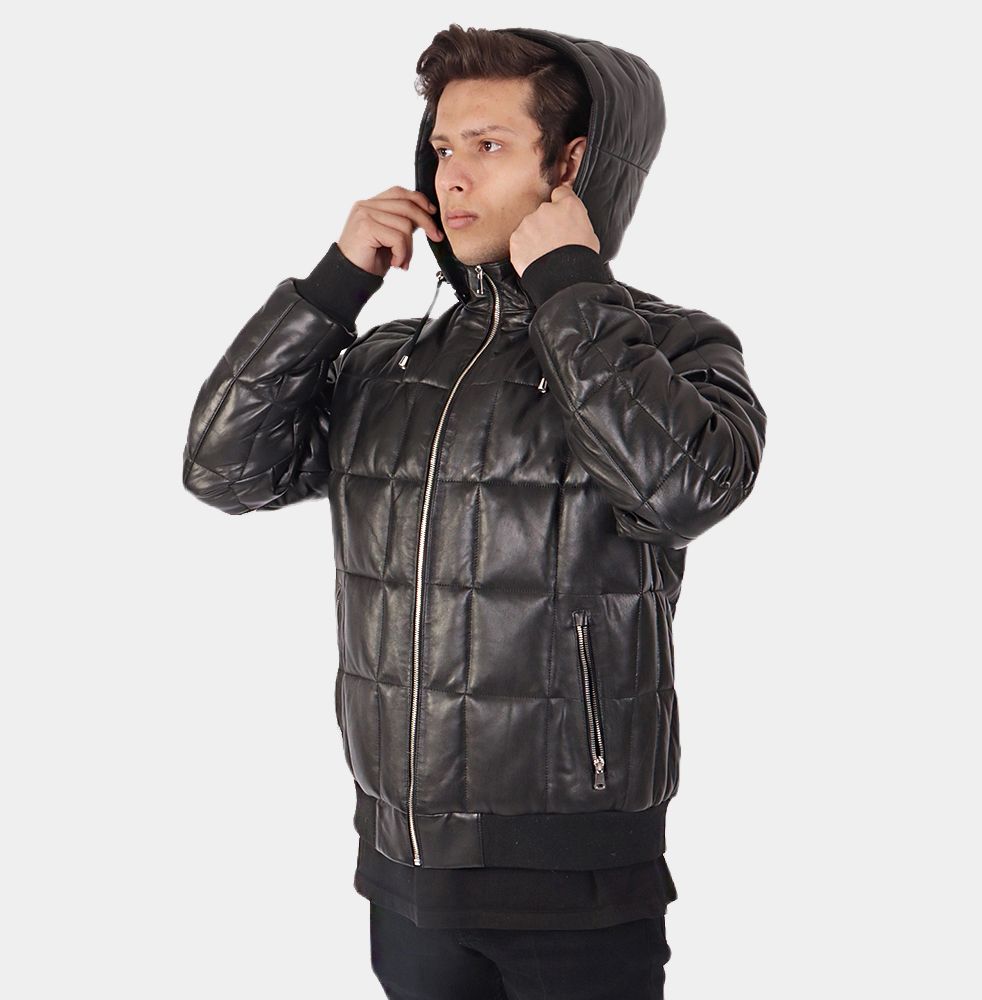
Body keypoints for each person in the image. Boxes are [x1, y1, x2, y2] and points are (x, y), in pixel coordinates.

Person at [182, 23, 766, 1000]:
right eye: (443, 147)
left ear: (569, 165)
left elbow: (684, 488)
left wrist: (571, 284)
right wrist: (332, 290)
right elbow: (222, 467)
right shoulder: (387, 362)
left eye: (488, 145)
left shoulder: (669, 347)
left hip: (577, 882)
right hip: (402, 870)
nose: (451, 175)